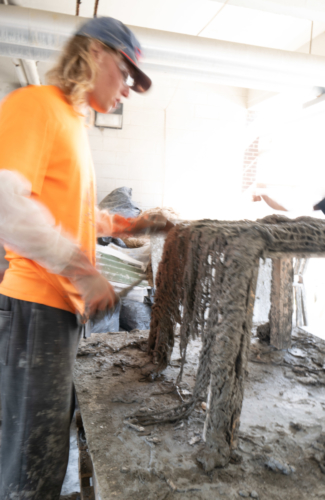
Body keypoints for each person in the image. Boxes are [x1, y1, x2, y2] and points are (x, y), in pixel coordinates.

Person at [0, 16, 170, 500]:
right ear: (95, 52)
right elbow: (9, 205)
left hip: (60, 310)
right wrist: (85, 272)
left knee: (52, 441)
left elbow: (74, 211)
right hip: (37, 307)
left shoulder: (72, 123)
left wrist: (130, 225)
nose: (129, 91)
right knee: (34, 454)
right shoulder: (36, 105)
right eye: (126, 73)